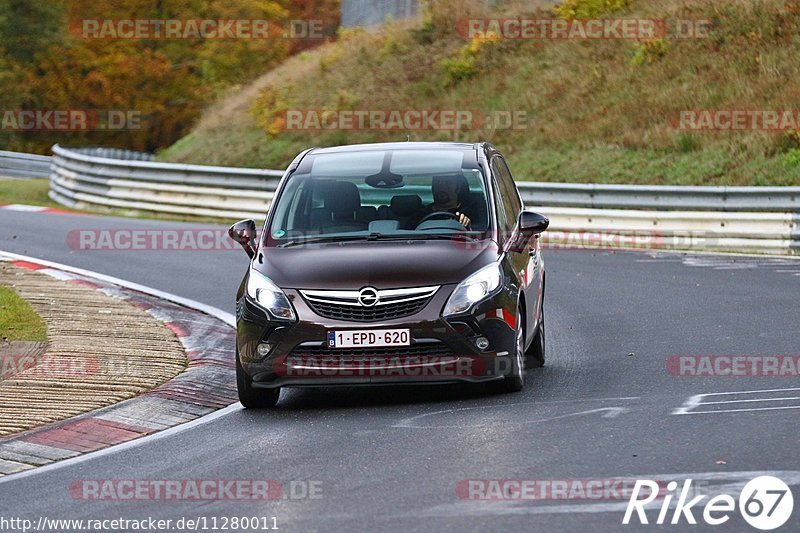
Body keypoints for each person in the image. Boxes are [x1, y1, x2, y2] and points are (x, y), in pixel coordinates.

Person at [411, 174, 476, 228]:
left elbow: (480, 237)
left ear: (458, 188)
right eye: (437, 183)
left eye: (448, 183)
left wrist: (467, 226)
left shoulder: (472, 213)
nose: (442, 187)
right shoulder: (420, 215)